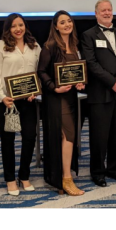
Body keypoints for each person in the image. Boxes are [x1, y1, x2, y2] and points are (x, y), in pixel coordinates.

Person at [81, 0, 116, 187]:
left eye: (109, 9)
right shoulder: (88, 35)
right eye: (103, 10)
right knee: (99, 136)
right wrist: (112, 81)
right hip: (100, 93)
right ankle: (97, 172)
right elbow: (91, 63)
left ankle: (114, 169)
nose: (107, 12)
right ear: (96, 14)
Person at [0, 13, 41, 195]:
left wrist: (35, 91)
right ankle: (10, 179)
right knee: (8, 141)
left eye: (21, 25)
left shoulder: (34, 46)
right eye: (13, 26)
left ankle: (24, 176)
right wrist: (2, 97)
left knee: (29, 138)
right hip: (7, 103)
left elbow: (38, 72)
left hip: (28, 101)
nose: (18, 29)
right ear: (8, 29)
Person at [38, 10, 85, 196]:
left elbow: (78, 70)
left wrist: (81, 82)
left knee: (68, 135)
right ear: (56, 26)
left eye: (69, 21)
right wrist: (54, 87)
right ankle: (65, 178)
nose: (67, 24)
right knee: (68, 135)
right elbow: (41, 71)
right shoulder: (49, 47)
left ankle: (63, 175)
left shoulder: (75, 45)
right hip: (57, 99)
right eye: (62, 22)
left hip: (71, 97)